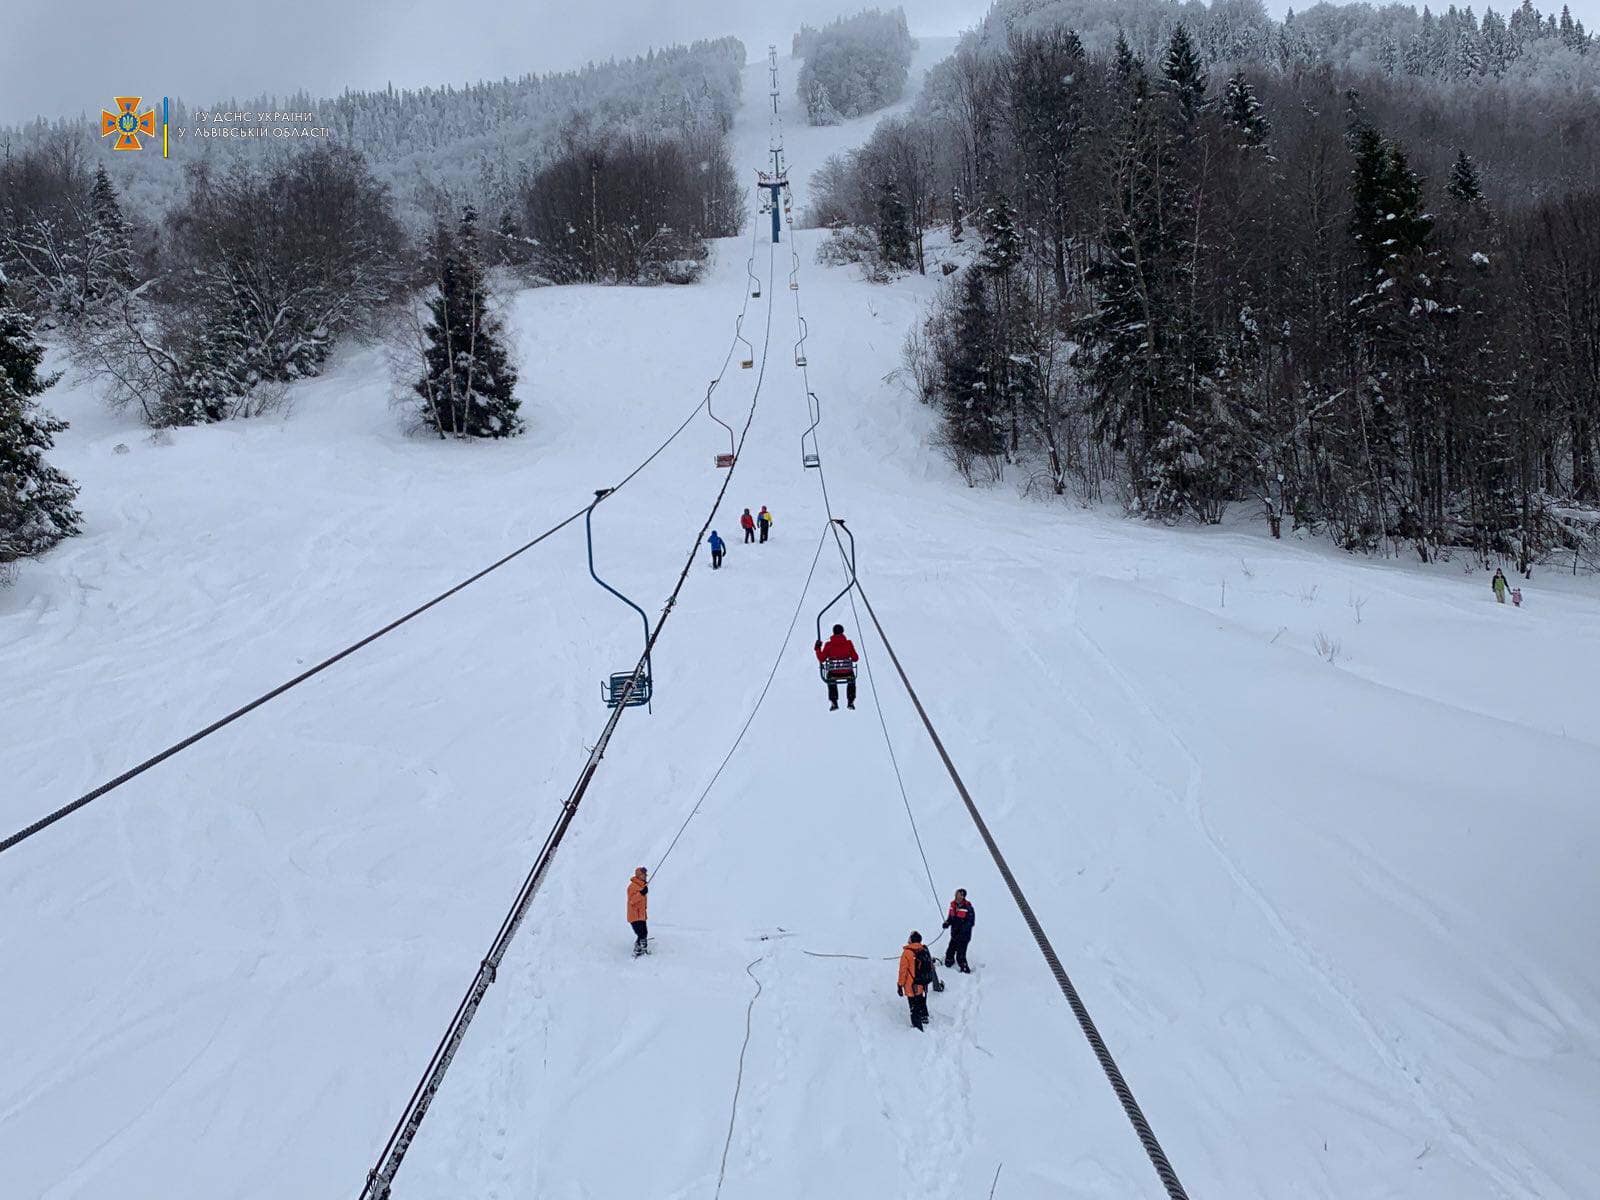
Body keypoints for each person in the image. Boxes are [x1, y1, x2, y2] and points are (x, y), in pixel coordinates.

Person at [814, 623, 859, 711]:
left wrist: (817, 649)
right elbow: (855, 658)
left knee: (831, 680)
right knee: (851, 679)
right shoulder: (848, 644)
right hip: (847, 672)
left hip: (833, 673)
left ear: (833, 632)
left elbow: (822, 659)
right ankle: (850, 700)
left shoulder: (828, 645)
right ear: (843, 632)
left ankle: (834, 701)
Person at [897, 931, 935, 1030]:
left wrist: (900, 985)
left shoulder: (907, 953)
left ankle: (917, 1026)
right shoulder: (923, 949)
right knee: (921, 999)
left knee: (913, 1006)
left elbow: (903, 971)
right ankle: (924, 1016)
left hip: (912, 984)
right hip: (922, 983)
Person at [942, 889, 975, 973]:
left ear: (963, 896)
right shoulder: (953, 906)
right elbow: (951, 918)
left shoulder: (968, 907)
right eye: (956, 894)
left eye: (958, 895)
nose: (956, 896)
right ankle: (948, 965)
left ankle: (965, 970)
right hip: (954, 935)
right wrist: (947, 923)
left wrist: (961, 931)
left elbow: (970, 922)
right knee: (949, 952)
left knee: (960, 955)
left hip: (963, 937)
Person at [627, 867, 650, 956]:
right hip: (634, 915)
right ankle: (637, 947)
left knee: (644, 932)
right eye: (643, 875)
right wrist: (641, 893)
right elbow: (632, 900)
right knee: (641, 933)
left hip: (641, 915)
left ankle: (643, 947)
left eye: (645, 875)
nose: (645, 877)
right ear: (639, 876)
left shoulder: (642, 886)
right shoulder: (632, 886)